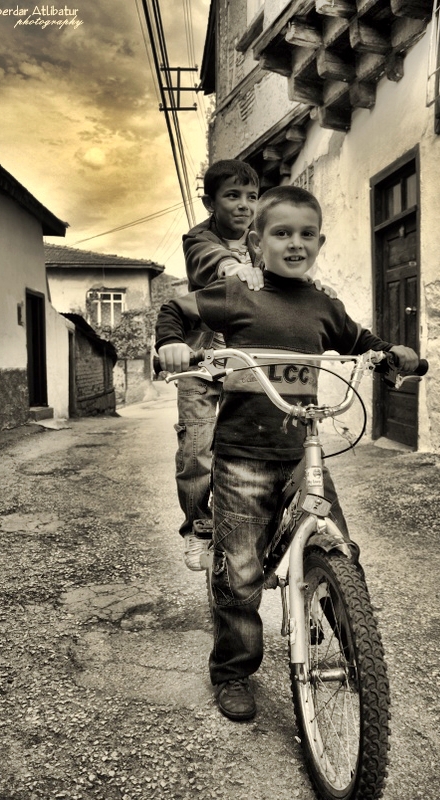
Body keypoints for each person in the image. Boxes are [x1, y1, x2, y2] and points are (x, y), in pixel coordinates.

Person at [156, 185, 419, 722]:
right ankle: (233, 670)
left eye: (306, 234)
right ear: (257, 242)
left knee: (341, 549)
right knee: (241, 574)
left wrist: (390, 354)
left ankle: (356, 650)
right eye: (281, 234)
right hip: (242, 456)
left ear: (319, 241)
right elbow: (176, 309)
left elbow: (361, 340)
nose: (294, 243)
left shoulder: (323, 305)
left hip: (304, 454)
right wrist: (171, 344)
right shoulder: (237, 294)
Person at [176, 160, 262, 571]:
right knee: (198, 449)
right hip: (202, 362)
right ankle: (198, 526)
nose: (244, 205)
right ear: (211, 202)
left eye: (251, 197)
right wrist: (232, 266)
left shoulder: (262, 239)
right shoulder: (199, 239)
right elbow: (210, 260)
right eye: (233, 196)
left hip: (247, 361)